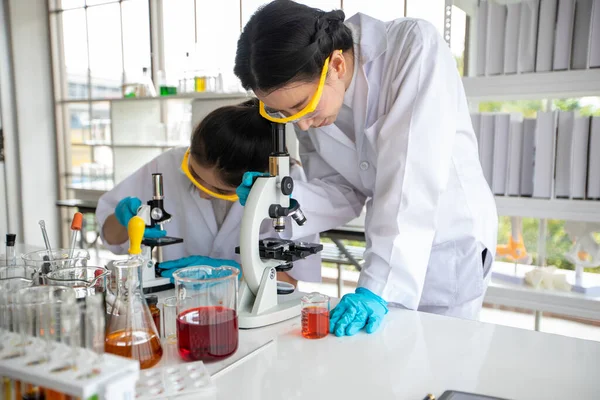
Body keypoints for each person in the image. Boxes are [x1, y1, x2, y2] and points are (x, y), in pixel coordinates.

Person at [234, 1, 498, 336]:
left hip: (449, 244)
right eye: (283, 114)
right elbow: (342, 190)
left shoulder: (411, 47)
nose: (299, 126)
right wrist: (282, 198)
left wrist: (378, 287)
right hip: (392, 247)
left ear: (338, 65)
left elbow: (411, 180)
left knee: (442, 362)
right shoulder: (316, 111)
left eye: (301, 107)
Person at [96, 98, 321, 285]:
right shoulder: (166, 165)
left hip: (250, 315)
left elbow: (290, 280)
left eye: (216, 189)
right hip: (180, 308)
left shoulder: (285, 185)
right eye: (194, 176)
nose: (201, 194)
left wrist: (233, 274)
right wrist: (122, 219)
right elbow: (109, 237)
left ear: (252, 182)